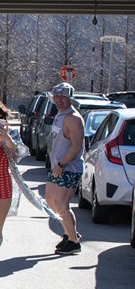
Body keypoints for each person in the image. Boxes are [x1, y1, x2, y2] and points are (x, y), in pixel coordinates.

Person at [0, 97, 59, 285]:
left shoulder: (10, 131)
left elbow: (22, 152)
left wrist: (7, 140)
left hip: (2, 183)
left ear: (1, 115)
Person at [44, 82, 85, 255]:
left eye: (63, 97)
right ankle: (69, 234)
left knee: (61, 203)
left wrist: (61, 164)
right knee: (51, 201)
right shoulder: (60, 115)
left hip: (69, 168)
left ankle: (74, 243)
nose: (59, 100)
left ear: (70, 98)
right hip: (57, 167)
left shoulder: (73, 118)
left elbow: (76, 146)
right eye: (56, 97)